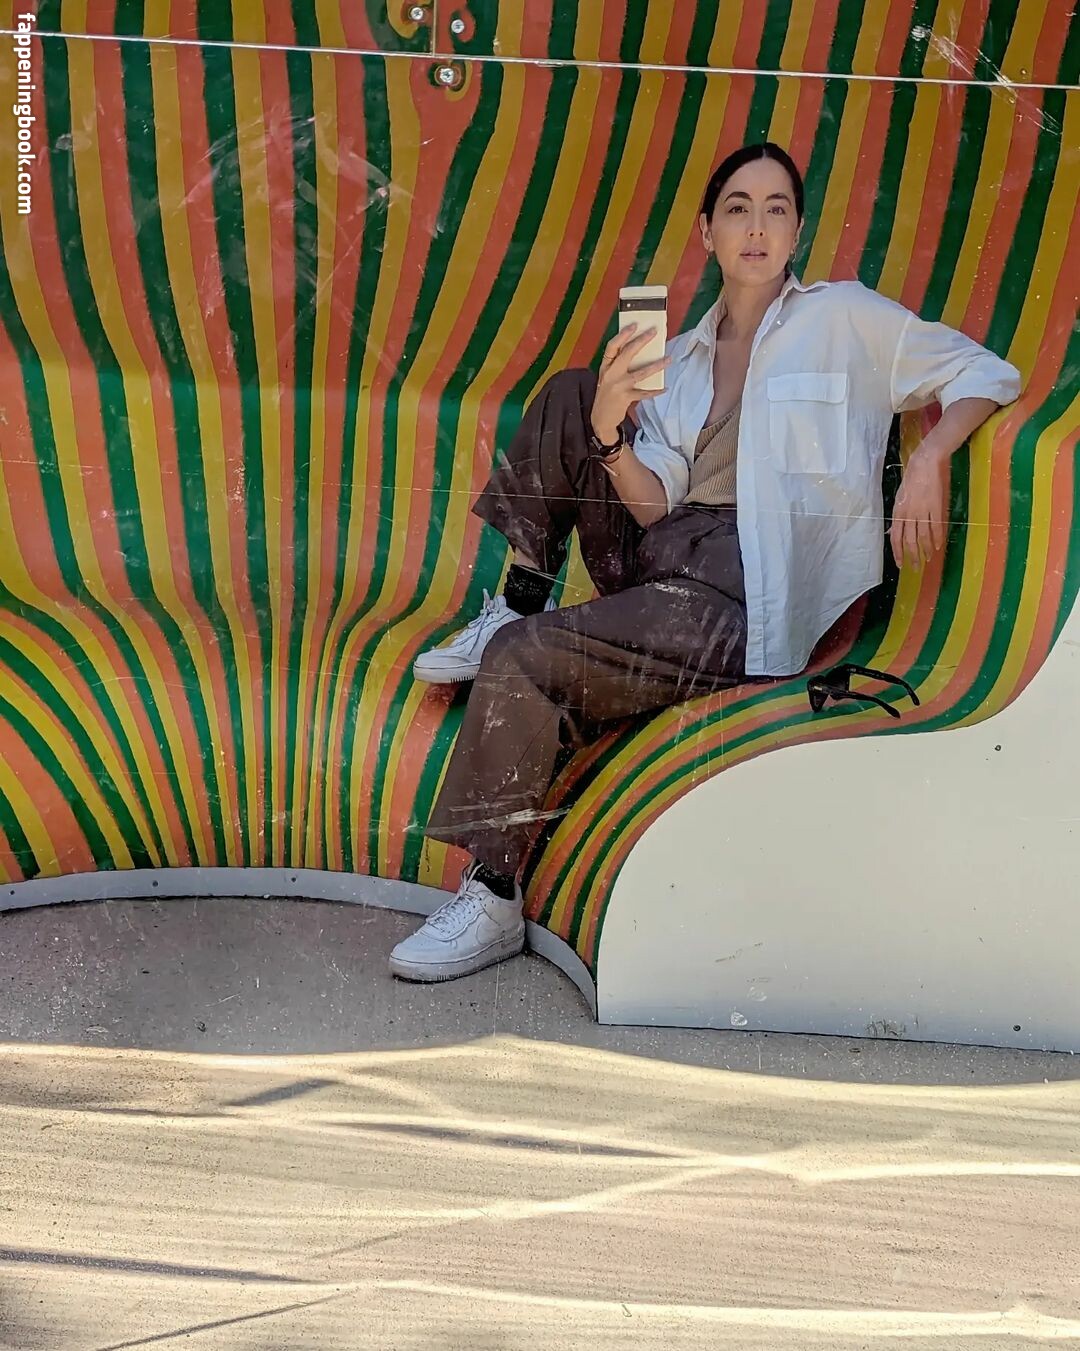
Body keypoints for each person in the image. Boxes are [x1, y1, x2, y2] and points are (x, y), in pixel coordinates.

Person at [391, 141, 1022, 984]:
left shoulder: (843, 318)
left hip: (745, 593)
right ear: (707, 233)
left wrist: (935, 453)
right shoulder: (684, 357)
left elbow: (985, 371)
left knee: (526, 658)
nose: (756, 227)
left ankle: (493, 894)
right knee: (577, 392)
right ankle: (517, 596)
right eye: (737, 209)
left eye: (775, 209)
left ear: (797, 231)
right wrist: (610, 435)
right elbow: (653, 505)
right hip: (665, 553)